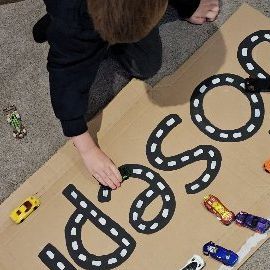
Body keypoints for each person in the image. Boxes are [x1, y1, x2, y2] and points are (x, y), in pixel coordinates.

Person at [33, 0, 219, 190]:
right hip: (75, 14)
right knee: (75, 43)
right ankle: (59, 25)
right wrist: (86, 148)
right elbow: (66, 75)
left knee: (146, 65)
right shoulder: (72, 15)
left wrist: (190, 5)